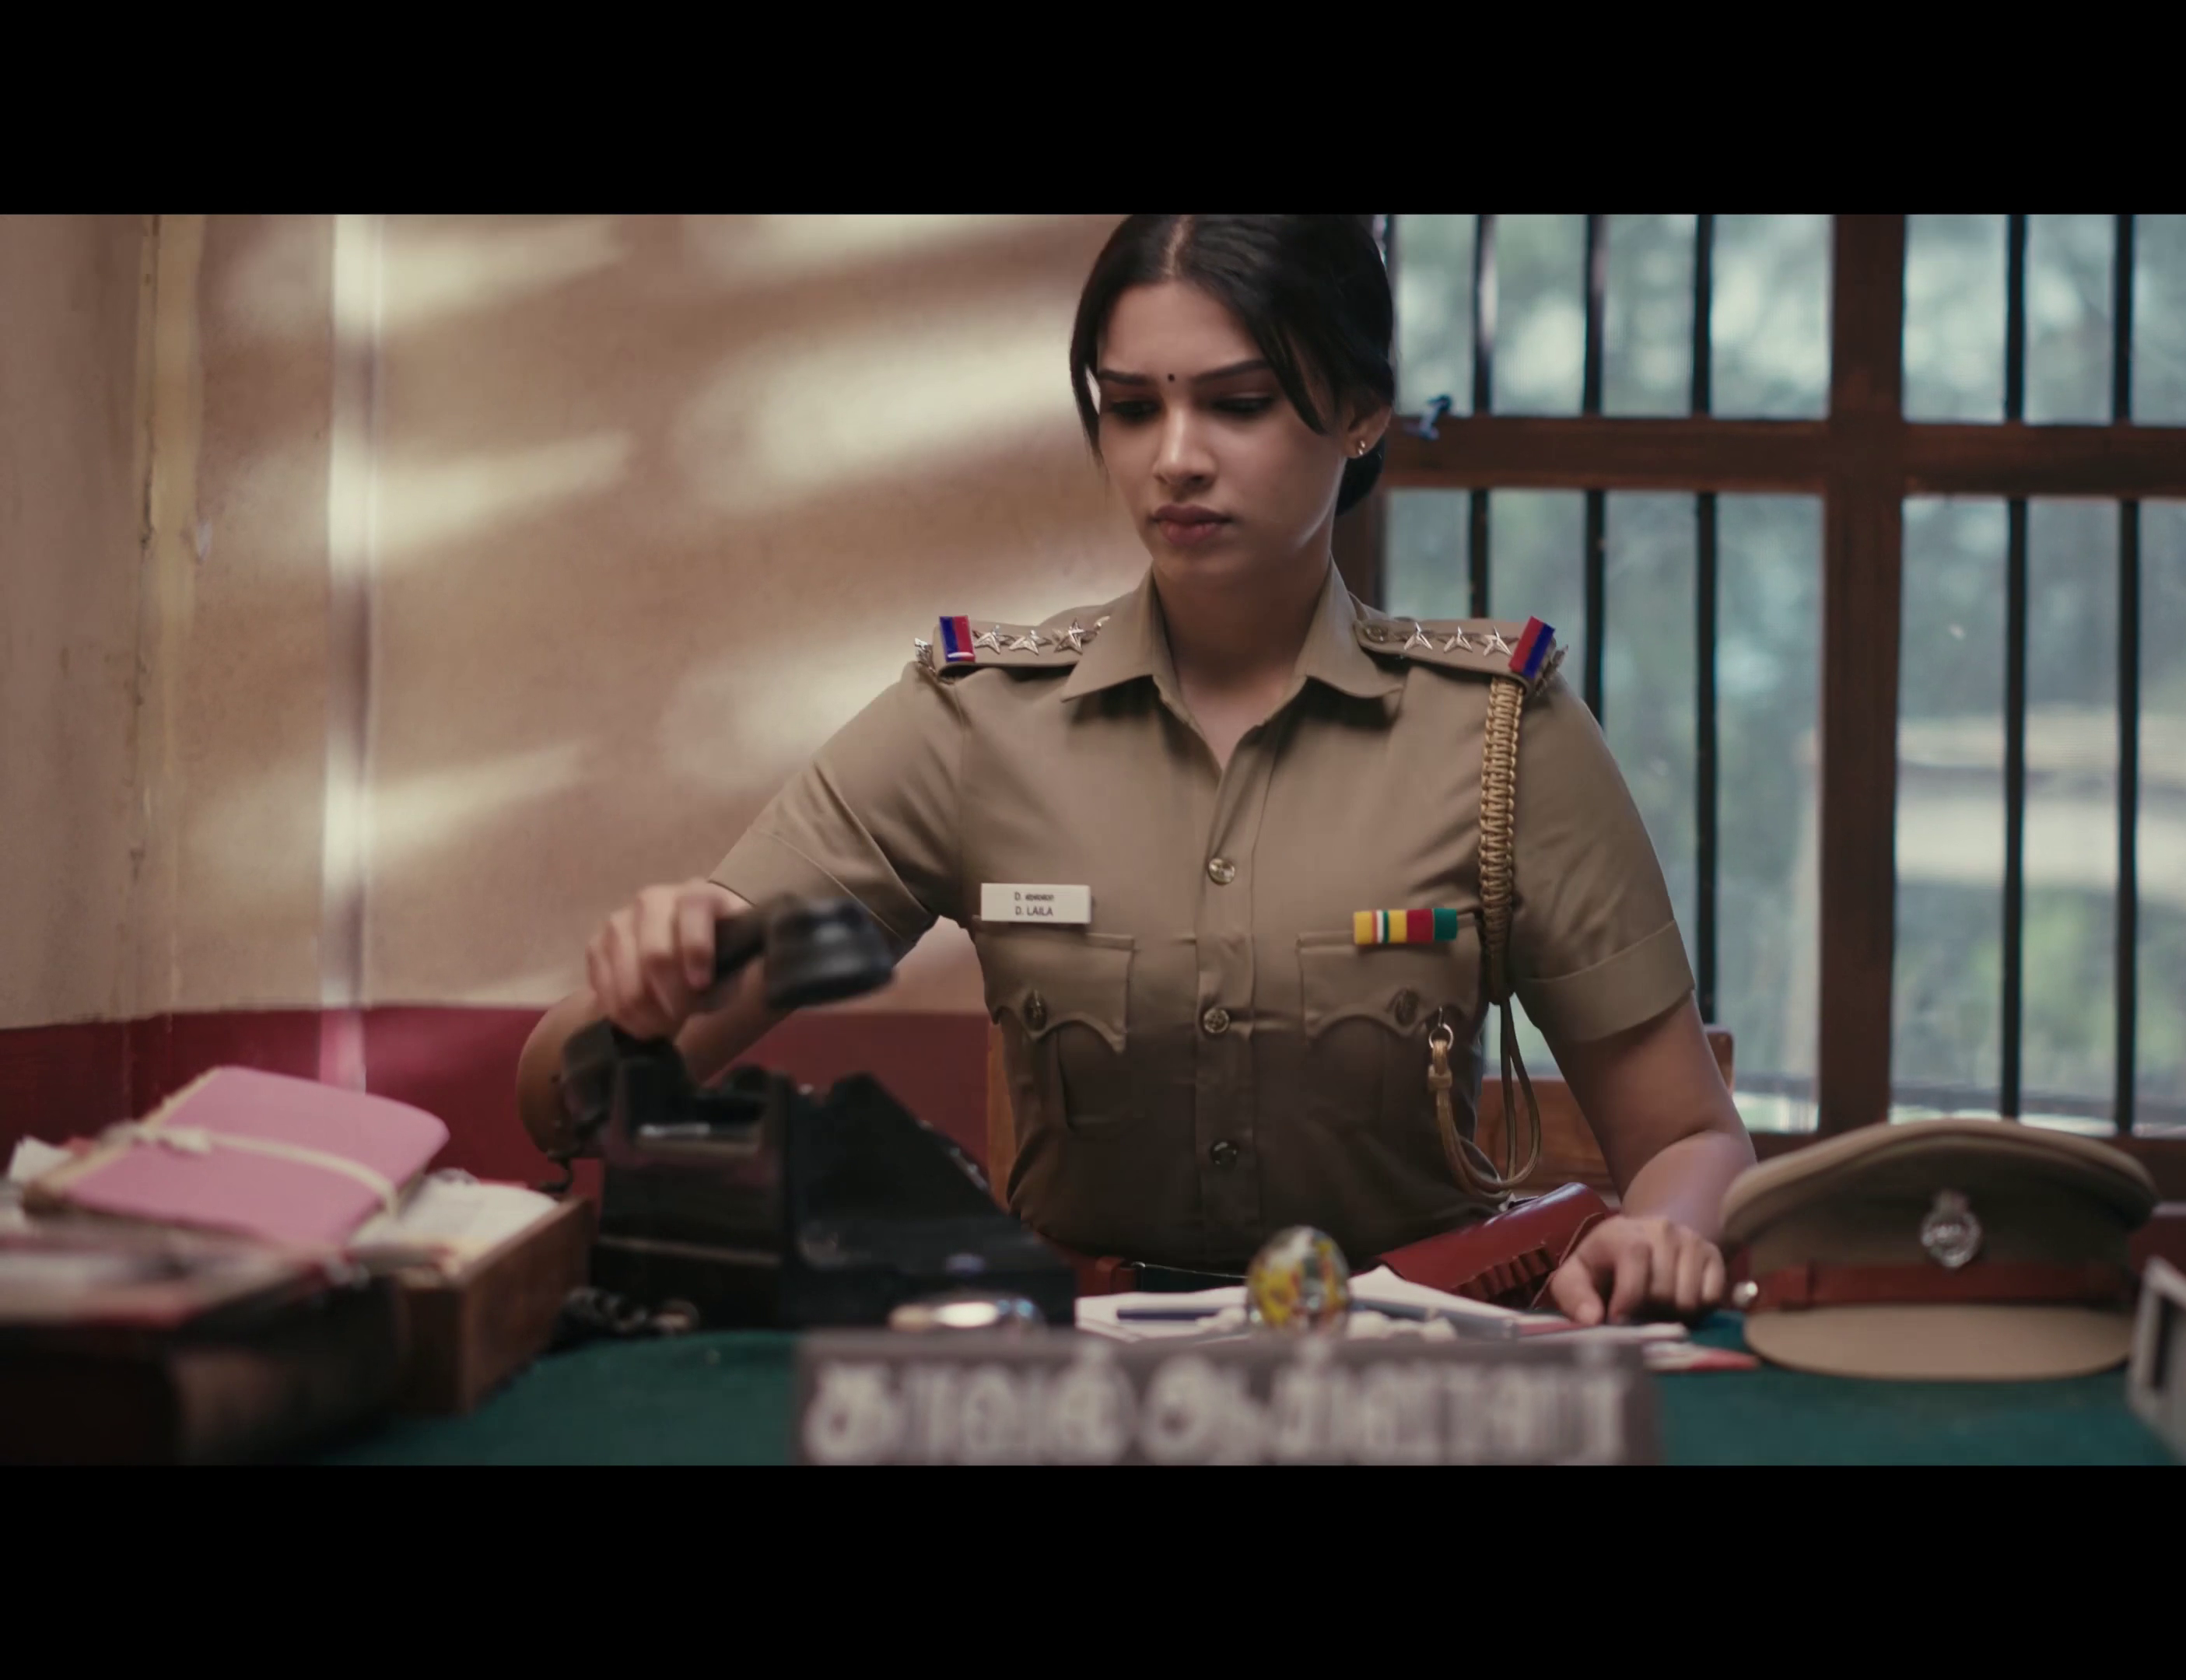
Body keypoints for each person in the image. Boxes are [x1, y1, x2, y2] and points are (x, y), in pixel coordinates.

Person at [516, 215, 1755, 1326]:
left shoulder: (1499, 738)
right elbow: (568, 1101)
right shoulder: (978, 725)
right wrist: (642, 1003)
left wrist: (1661, 1234)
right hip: (1068, 1378)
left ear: (1362, 411)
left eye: (1239, 402)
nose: (1175, 459)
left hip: (1398, 1374)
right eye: (1130, 408)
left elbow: (1692, 1143)